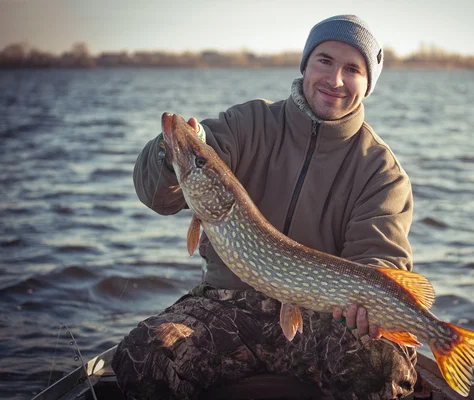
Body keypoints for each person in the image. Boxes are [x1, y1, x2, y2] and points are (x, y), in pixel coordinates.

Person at [112, 14, 416, 399]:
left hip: (323, 320)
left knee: (382, 370)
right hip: (227, 308)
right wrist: (165, 153)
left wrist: (369, 309)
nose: (335, 79)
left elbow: (380, 259)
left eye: (352, 69)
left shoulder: (381, 172)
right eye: (324, 60)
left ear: (367, 84)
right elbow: (155, 195)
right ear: (306, 64)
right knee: (143, 356)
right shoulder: (246, 123)